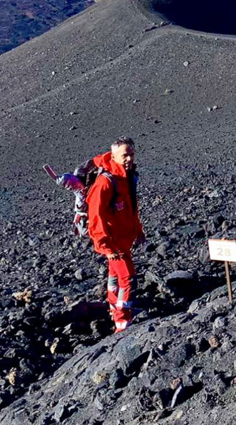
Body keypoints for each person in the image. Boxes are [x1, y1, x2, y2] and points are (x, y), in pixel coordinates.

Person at [86, 136, 144, 332]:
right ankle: (122, 323)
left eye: (132, 154)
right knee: (128, 278)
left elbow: (130, 209)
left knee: (115, 276)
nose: (129, 159)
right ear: (113, 156)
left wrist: (138, 230)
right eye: (125, 155)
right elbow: (95, 216)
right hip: (115, 241)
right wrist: (106, 247)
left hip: (124, 238)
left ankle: (114, 308)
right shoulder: (106, 182)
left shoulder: (126, 178)